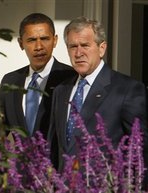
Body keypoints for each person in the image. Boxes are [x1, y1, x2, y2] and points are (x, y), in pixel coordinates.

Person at [48, 16, 148, 189]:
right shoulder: (61, 90)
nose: (78, 53)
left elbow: (140, 150)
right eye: (73, 46)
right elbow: (55, 147)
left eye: (85, 45)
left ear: (102, 48)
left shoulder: (127, 89)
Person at [0, 13, 76, 143]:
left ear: (55, 40)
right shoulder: (11, 81)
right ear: (21, 43)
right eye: (32, 40)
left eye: (44, 39)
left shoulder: (70, 77)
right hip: (21, 163)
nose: (39, 47)